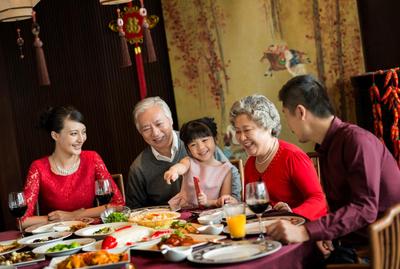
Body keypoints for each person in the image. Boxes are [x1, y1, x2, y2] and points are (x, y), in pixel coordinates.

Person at [267, 74, 400, 262]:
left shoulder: (356, 141)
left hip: (381, 253)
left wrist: (306, 231)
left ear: (300, 112)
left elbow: (364, 208)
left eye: (286, 114)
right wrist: (327, 233)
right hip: (357, 243)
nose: (288, 124)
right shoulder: (330, 146)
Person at [126, 97, 241, 209]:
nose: (155, 133)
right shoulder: (138, 168)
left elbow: (230, 171)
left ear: (170, 120)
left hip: (211, 214)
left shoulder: (198, 145)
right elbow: (135, 209)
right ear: (140, 132)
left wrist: (230, 202)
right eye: (146, 129)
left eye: (159, 124)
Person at [22, 106, 124, 228]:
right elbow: (22, 220)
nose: (81, 139)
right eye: (74, 133)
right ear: (55, 136)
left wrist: (74, 215)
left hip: (92, 230)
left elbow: (118, 204)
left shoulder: (92, 158)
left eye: (84, 132)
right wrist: (59, 218)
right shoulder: (38, 167)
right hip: (57, 237)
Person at [229, 94, 327, 221]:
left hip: (298, 230)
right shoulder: (250, 163)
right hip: (266, 230)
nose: (241, 138)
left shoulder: (292, 156)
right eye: (237, 131)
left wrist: (292, 214)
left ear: (268, 128)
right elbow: (252, 206)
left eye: (247, 130)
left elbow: (319, 199)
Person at [165, 117, 233, 208]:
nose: (200, 147)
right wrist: (173, 171)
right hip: (185, 211)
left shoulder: (225, 169)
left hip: (211, 214)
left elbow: (224, 201)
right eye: (193, 144)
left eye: (204, 140)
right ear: (188, 149)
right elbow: (181, 167)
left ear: (215, 139)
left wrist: (208, 202)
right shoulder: (189, 161)